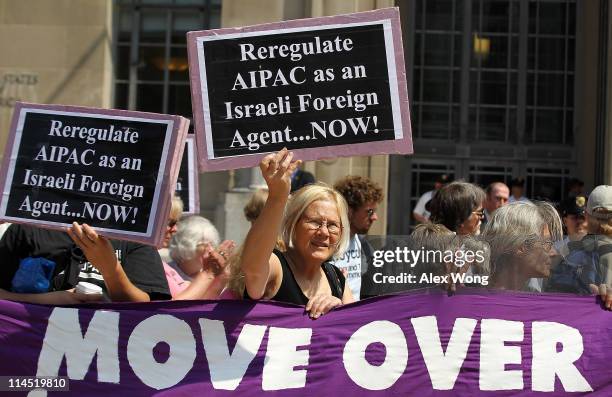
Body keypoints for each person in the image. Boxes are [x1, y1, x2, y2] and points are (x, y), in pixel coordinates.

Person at [238, 149, 354, 318]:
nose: (323, 232)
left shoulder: (336, 278)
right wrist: (277, 196)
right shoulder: (277, 266)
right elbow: (252, 270)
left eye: (333, 225)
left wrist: (339, 309)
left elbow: (358, 329)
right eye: (314, 222)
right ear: (294, 224)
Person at [0, 222, 171, 303]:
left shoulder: (135, 235)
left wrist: (110, 270)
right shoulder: (28, 227)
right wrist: (50, 300)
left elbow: (151, 309)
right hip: (30, 355)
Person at [332, 175, 384, 301]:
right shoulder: (325, 245)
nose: (375, 217)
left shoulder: (363, 245)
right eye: (369, 212)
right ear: (349, 211)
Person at [166, 215, 234, 300]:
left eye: (212, 244)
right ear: (186, 246)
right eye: (204, 245)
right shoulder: (168, 273)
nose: (211, 250)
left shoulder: (214, 273)